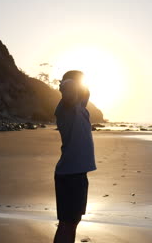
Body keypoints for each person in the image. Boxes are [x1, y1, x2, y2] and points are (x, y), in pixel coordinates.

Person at [53, 70, 97, 243]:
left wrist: (82, 82)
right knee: (66, 223)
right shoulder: (66, 107)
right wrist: (68, 81)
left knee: (73, 221)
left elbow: (85, 93)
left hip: (77, 172)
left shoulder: (80, 108)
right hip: (70, 173)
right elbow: (69, 89)